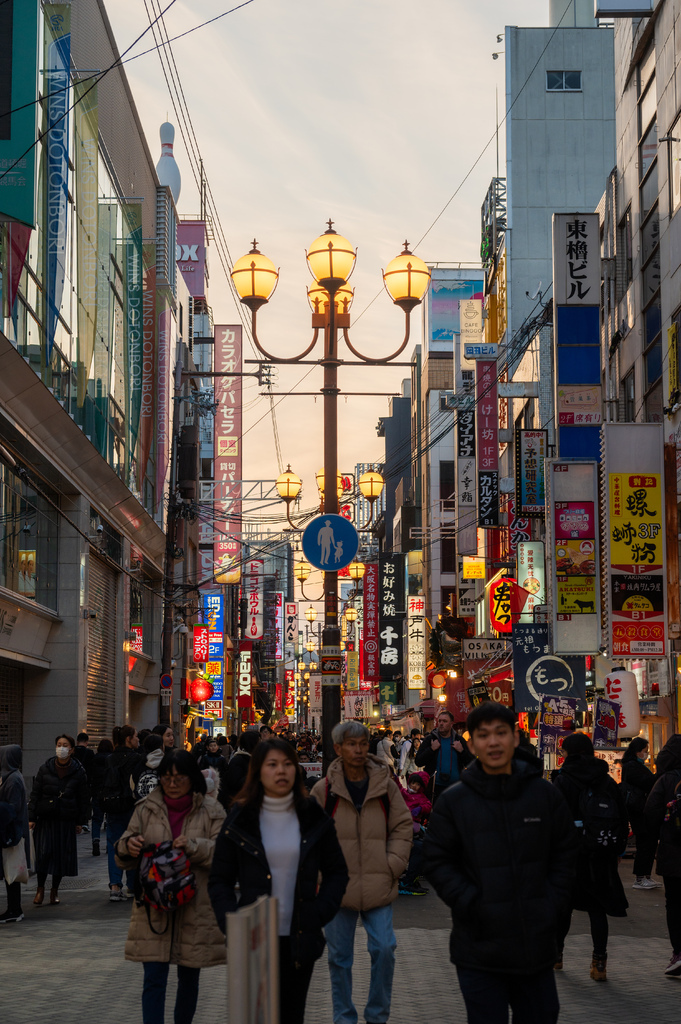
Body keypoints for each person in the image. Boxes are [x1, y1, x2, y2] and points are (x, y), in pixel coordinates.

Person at [424, 702, 578, 1024]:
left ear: (515, 738)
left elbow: (565, 854)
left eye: (501, 733)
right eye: (483, 735)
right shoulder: (454, 801)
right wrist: (470, 902)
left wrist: (549, 904)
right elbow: (438, 861)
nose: (493, 742)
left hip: (534, 945)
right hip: (477, 946)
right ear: (472, 743)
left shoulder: (544, 795)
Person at [209, 738, 349, 1024]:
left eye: (287, 764)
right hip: (253, 935)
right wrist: (232, 922)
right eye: (272, 765)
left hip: (299, 937)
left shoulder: (311, 814)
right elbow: (219, 879)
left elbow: (337, 872)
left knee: (291, 1014)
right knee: (256, 1016)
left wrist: (318, 913)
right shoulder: (241, 817)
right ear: (258, 771)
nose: (281, 771)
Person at [310, 721, 412, 1024]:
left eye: (363, 743)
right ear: (338, 749)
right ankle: (344, 1017)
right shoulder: (323, 790)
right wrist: (320, 878)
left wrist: (392, 864)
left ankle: (377, 1016)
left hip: (379, 884)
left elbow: (402, 826)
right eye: (351, 744)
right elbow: (309, 838)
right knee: (339, 959)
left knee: (384, 949)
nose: (358, 750)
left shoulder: (385, 784)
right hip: (337, 889)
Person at [115, 750, 226, 1024]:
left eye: (179, 778)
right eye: (166, 777)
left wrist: (193, 846)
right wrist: (128, 847)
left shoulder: (212, 811)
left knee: (189, 979)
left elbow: (224, 855)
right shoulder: (145, 809)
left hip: (195, 906)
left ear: (192, 779)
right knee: (153, 980)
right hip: (153, 909)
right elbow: (122, 850)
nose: (173, 783)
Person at [553, 731, 628, 982]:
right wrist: (617, 849)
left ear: (569, 753)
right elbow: (621, 816)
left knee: (563, 907)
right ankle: (599, 963)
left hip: (570, 853)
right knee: (597, 909)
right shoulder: (605, 780)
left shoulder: (562, 780)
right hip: (600, 851)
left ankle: (557, 955)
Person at [28, 734, 90, 907]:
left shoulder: (78, 771)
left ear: (71, 749)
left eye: (65, 745)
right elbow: (35, 794)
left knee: (61, 856)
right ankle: (40, 889)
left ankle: (54, 890)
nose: (61, 748)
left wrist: (81, 821)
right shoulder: (45, 768)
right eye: (58, 744)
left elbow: (83, 798)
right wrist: (31, 817)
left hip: (66, 819)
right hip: (46, 818)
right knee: (43, 854)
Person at [645, 744, 681, 975]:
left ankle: (679, 952)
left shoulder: (666, 780)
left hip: (673, 851)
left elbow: (650, 812)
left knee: (675, 903)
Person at [104, 725, 142, 902]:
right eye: (136, 736)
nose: (138, 740)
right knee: (133, 845)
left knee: (114, 845)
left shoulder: (110, 758)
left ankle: (114, 886)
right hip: (131, 806)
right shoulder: (136, 759)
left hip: (112, 806)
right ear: (128, 738)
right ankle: (132, 886)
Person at [620, 737, 660, 889]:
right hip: (638, 809)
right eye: (645, 751)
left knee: (648, 843)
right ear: (637, 752)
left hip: (641, 808)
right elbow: (648, 782)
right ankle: (640, 878)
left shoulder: (635, 765)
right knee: (645, 843)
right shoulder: (632, 766)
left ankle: (646, 876)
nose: (647, 754)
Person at [0, 745, 31, 923]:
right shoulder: (9, 777)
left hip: (11, 832)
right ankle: (13, 908)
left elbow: (11, 808)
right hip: (9, 831)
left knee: (11, 870)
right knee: (9, 870)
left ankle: (15, 909)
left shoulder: (13, 780)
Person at [415, 709, 472, 802]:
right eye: (440, 721)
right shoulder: (430, 739)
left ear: (451, 724)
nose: (441, 723)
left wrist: (461, 751)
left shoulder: (459, 740)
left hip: (456, 788)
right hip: (434, 789)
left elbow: (471, 763)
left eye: (445, 721)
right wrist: (431, 749)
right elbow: (418, 761)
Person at [397, 770, 432, 896]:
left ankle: (410, 879)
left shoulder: (422, 798)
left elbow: (428, 806)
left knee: (423, 846)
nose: (414, 786)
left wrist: (420, 809)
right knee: (420, 848)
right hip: (400, 829)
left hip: (411, 829)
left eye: (418, 785)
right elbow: (397, 787)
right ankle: (408, 882)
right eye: (412, 783)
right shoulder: (403, 793)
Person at [90, 737, 114, 856]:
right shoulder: (112, 760)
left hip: (96, 793)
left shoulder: (94, 759)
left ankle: (95, 841)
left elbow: (91, 777)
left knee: (96, 819)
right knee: (109, 819)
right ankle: (109, 845)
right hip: (109, 794)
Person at [223, 730, 260, 804]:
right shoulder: (238, 760)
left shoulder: (257, 759)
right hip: (242, 802)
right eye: (259, 742)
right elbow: (234, 783)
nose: (261, 744)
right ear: (252, 744)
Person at [131, 734, 165, 801]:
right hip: (161, 805)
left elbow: (132, 785)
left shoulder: (139, 764)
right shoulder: (167, 763)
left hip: (142, 805)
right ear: (161, 747)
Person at [197, 737, 229, 808]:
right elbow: (201, 769)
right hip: (208, 782)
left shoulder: (222, 758)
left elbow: (226, 771)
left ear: (217, 747)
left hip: (220, 783)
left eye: (214, 746)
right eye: (211, 746)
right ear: (207, 747)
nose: (213, 748)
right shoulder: (204, 758)